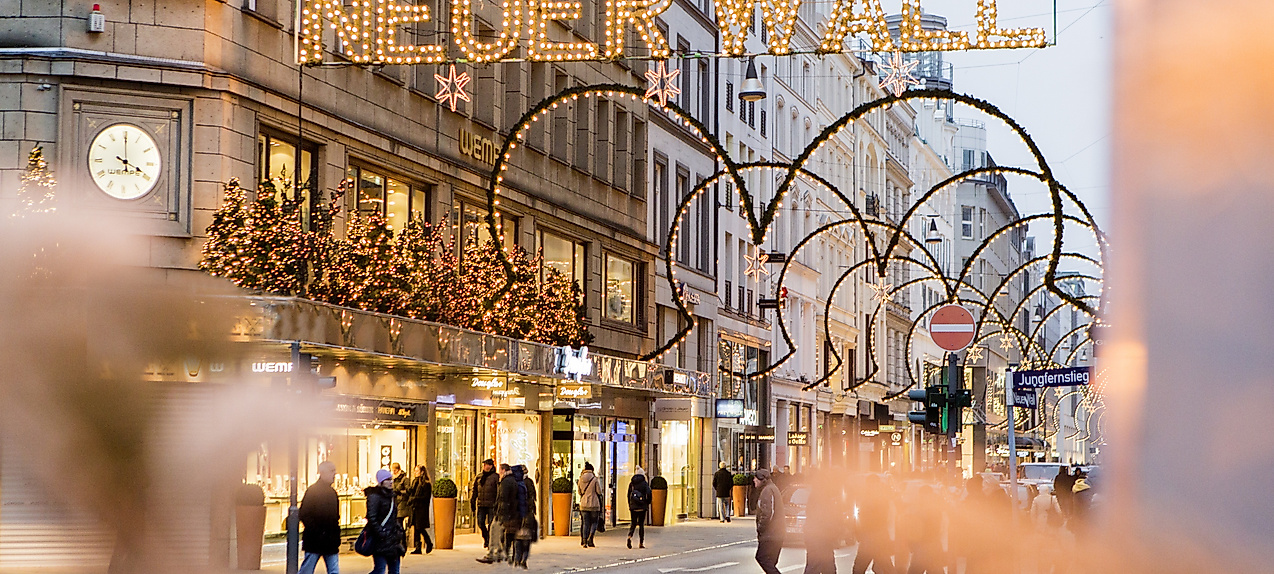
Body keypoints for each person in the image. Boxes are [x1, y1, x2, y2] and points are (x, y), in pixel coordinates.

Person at [298, 461, 340, 574]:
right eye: (331, 471)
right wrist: (318, 531)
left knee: (333, 570)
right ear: (322, 473)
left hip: (327, 539)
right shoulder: (313, 491)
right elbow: (304, 514)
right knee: (308, 569)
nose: (334, 474)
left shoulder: (332, 492)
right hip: (316, 539)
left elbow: (335, 517)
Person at [366, 469, 407, 574]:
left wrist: (399, 532)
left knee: (395, 570)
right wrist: (382, 533)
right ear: (381, 482)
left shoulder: (391, 496)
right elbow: (372, 518)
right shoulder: (375, 496)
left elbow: (393, 518)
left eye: (391, 479)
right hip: (380, 541)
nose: (391, 482)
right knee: (379, 569)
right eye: (387, 480)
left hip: (393, 540)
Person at [852, 474, 894, 574]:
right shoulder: (881, 498)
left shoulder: (870, 498)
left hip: (871, 538)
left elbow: (861, 518)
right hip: (877, 538)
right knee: (885, 566)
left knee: (859, 568)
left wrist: (859, 533)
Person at [475, 464, 511, 564]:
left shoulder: (505, 481)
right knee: (489, 526)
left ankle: (493, 554)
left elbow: (504, 497)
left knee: (494, 529)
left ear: (503, 470)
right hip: (489, 506)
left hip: (498, 509)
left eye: (500, 470)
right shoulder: (480, 476)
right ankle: (498, 552)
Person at [753, 468, 785, 574]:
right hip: (777, 534)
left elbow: (767, 514)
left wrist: (760, 528)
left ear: (762, 479)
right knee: (770, 562)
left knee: (762, 558)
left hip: (771, 534)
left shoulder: (767, 491)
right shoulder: (772, 488)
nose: (754, 480)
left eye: (756, 478)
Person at [499, 465, 527, 565]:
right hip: (519, 514)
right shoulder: (521, 483)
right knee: (516, 537)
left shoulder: (509, 482)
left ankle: (508, 556)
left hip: (511, 513)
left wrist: (502, 513)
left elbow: (504, 499)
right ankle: (517, 558)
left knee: (508, 536)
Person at [512, 465, 538, 569]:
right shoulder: (528, 482)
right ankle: (522, 559)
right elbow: (533, 496)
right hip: (527, 514)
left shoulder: (516, 483)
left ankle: (517, 559)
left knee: (518, 539)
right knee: (525, 540)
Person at [471, 459, 500, 548]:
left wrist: (497, 503)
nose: (486, 467)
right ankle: (486, 538)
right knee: (480, 522)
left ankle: (490, 541)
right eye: (484, 465)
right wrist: (473, 500)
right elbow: (475, 490)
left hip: (492, 504)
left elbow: (499, 491)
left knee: (491, 524)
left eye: (487, 465)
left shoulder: (496, 477)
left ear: (491, 466)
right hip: (481, 504)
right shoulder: (479, 477)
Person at [408, 465, 433, 554]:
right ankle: (418, 547)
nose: (415, 472)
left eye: (417, 471)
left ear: (422, 472)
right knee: (416, 528)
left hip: (422, 508)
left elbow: (426, 497)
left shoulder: (426, 484)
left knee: (420, 528)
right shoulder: (415, 482)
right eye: (415, 471)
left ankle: (429, 543)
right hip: (415, 508)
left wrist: (415, 498)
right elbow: (411, 492)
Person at [577, 462, 603, 548]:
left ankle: (584, 541)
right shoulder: (595, 479)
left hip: (584, 504)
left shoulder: (581, 479)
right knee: (594, 522)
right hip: (594, 504)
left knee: (585, 523)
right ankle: (591, 537)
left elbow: (579, 492)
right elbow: (599, 491)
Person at [626, 468, 652, 549]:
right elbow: (649, 493)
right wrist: (647, 502)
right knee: (641, 525)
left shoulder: (632, 483)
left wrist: (630, 505)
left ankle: (629, 536)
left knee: (633, 523)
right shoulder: (644, 483)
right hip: (642, 506)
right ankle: (641, 542)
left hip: (633, 507)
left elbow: (628, 494)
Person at [391, 463, 411, 530]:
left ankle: (402, 539)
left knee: (399, 523)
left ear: (398, 470)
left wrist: (399, 492)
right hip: (396, 503)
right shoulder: (393, 479)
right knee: (397, 524)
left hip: (402, 504)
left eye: (394, 470)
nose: (393, 472)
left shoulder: (404, 479)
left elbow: (408, 491)